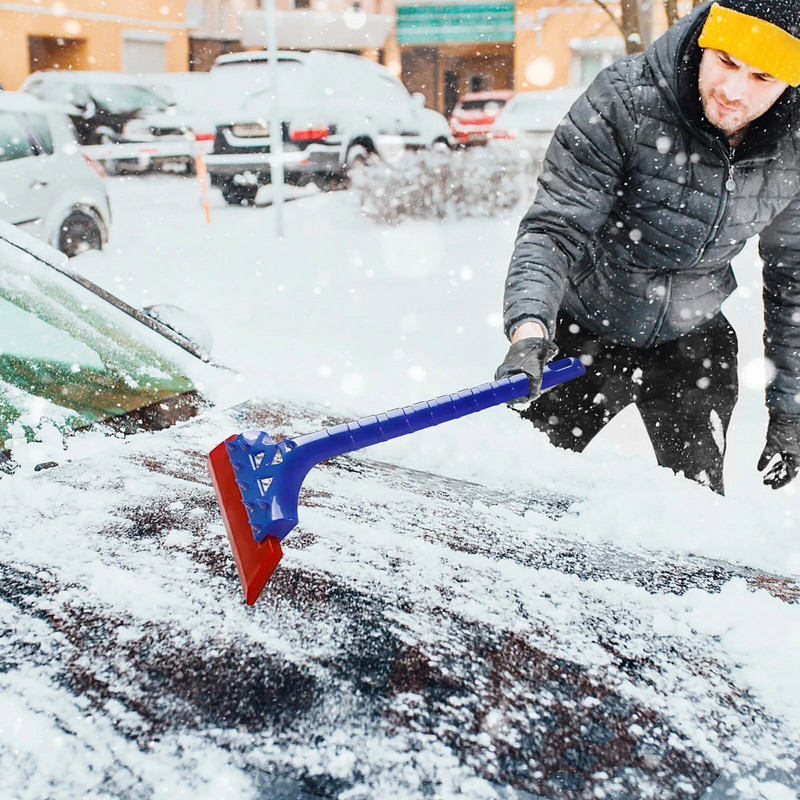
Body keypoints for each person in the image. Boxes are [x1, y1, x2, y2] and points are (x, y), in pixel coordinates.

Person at [495, 0, 800, 495]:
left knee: (694, 516)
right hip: (586, 330)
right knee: (521, 493)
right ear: (704, 40)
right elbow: (555, 229)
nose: (732, 91)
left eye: (762, 77)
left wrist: (791, 411)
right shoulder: (624, 101)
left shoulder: (794, 143)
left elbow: (794, 282)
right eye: (724, 60)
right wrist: (529, 331)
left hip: (694, 345)